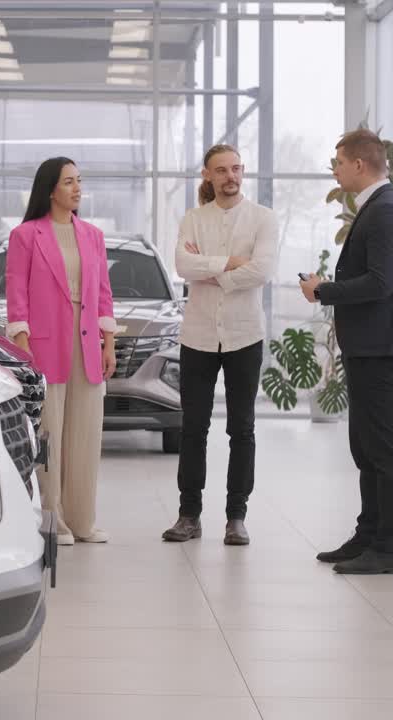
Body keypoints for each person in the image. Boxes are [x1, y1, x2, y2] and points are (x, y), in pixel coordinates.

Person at [299, 129, 393, 575]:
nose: (334, 169)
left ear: (359, 164)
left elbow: (380, 282)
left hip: (380, 345)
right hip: (375, 344)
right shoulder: (385, 207)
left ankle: (388, 549)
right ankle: (368, 535)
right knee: (366, 446)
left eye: (338, 161)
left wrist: (323, 291)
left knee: (384, 450)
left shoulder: (387, 211)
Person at [163, 144, 278, 547]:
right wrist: (230, 262)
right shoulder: (193, 219)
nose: (231, 176)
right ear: (207, 176)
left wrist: (211, 268)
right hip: (197, 336)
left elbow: (262, 270)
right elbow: (181, 265)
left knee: (241, 428)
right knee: (192, 428)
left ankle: (236, 517)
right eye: (222, 170)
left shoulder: (263, 219)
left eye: (236, 168)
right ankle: (188, 515)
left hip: (245, 334)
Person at [5, 156, 117, 546]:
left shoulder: (93, 236)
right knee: (50, 432)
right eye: (69, 181)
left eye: (79, 181)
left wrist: (109, 342)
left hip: (86, 343)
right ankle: (53, 520)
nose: (77, 188)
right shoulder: (25, 236)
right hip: (44, 344)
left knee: (86, 434)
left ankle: (82, 520)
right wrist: (22, 344)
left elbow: (103, 295)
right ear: (50, 188)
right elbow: (16, 294)